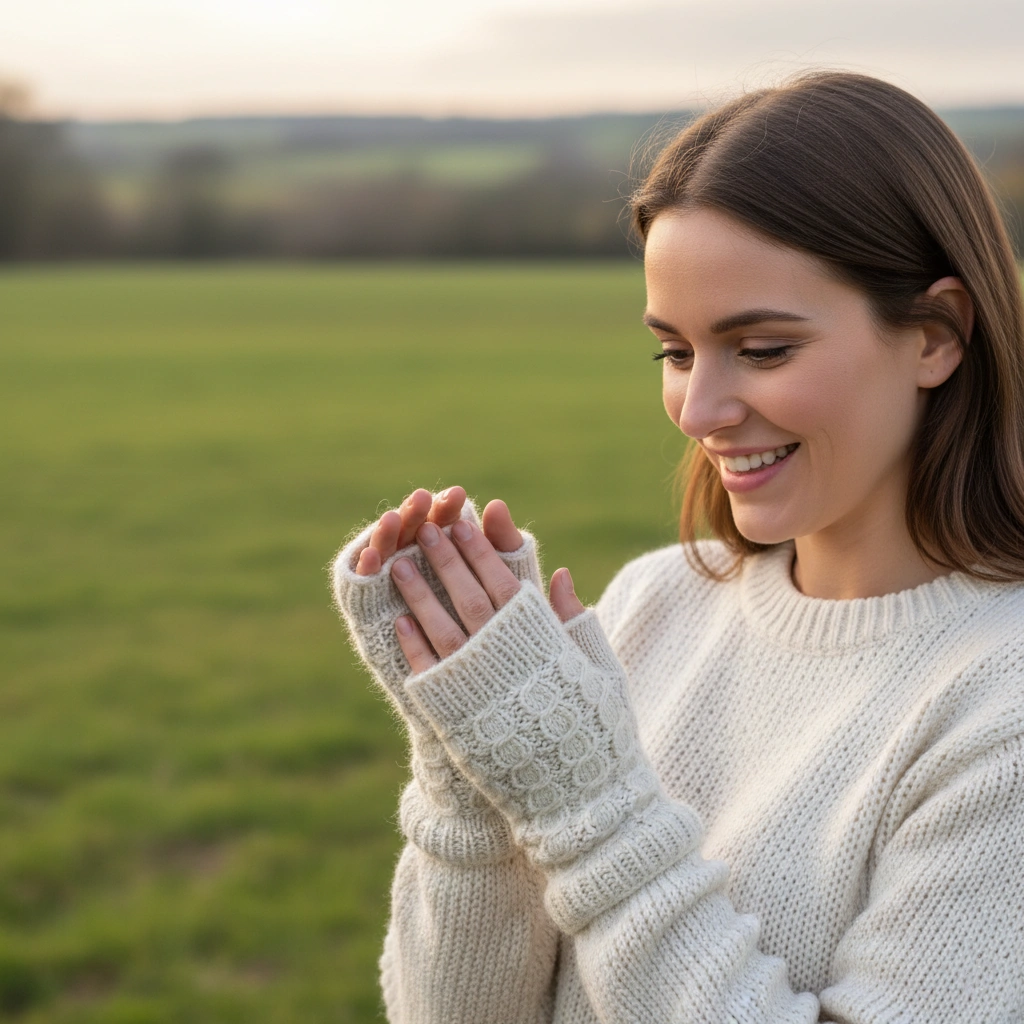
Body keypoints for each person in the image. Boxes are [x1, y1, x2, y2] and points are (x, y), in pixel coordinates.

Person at [331, 70, 1024, 1023]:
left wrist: (588, 805)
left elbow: (595, 823)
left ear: (937, 336)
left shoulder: (1001, 702)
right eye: (676, 352)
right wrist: (471, 771)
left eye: (764, 349)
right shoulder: (655, 603)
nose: (699, 411)